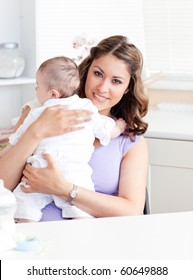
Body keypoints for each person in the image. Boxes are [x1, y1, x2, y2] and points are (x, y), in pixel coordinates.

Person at [0, 35, 149, 221]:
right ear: (86, 72)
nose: (103, 87)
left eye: (116, 81)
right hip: (28, 237)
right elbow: (1, 185)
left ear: (127, 88)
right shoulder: (40, 109)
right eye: (98, 74)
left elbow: (132, 210)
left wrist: (63, 189)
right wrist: (36, 131)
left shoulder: (129, 140)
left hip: (88, 238)